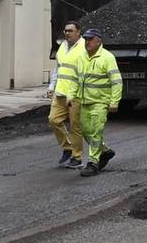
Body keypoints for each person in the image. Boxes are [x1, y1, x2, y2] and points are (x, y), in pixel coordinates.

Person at [75, 27, 123, 176]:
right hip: (84, 101)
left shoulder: (107, 57)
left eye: (90, 39)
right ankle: (106, 152)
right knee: (85, 131)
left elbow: (117, 81)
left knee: (96, 132)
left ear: (99, 41)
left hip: (100, 102)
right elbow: (78, 79)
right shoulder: (82, 57)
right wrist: (73, 96)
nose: (87, 42)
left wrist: (114, 102)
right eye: (86, 39)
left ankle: (93, 163)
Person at [48, 21, 86, 168]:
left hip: (75, 94)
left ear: (78, 32)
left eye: (70, 31)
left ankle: (77, 157)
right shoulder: (62, 47)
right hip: (60, 92)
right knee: (53, 120)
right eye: (65, 31)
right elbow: (58, 69)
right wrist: (52, 86)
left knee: (75, 127)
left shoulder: (84, 47)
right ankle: (68, 148)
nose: (67, 33)